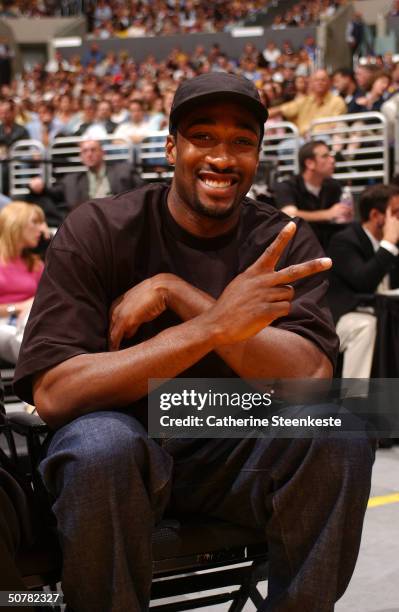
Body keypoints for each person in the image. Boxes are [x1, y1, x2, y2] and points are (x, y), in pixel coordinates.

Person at [14, 73, 374, 612]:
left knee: (344, 426)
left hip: (232, 442)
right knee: (100, 445)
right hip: (122, 441)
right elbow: (55, 395)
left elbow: (312, 380)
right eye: (203, 136)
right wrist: (211, 328)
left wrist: (183, 297)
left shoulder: (282, 239)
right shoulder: (99, 228)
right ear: (170, 147)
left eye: (241, 142)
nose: (222, 157)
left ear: (258, 156)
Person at [328, 184, 399, 378]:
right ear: (377, 216)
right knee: (365, 326)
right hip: (341, 316)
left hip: (382, 310)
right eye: (396, 213)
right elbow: (363, 282)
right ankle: (355, 401)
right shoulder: (344, 241)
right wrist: (389, 244)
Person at [28, 139, 143, 216]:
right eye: (85, 151)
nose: (89, 154)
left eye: (93, 150)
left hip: (119, 219)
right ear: (81, 157)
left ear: (103, 153)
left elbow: (143, 192)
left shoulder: (123, 172)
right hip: (87, 227)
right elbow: (51, 194)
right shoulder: (71, 181)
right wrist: (39, 187)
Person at [274, 140, 353, 250]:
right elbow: (289, 214)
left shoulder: (333, 185)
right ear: (310, 163)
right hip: (298, 247)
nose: (332, 160)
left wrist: (344, 214)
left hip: (328, 246)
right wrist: (328, 214)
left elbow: (337, 220)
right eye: (325, 156)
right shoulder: (287, 186)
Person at [0, 201, 47, 364]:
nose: (41, 229)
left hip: (30, 323)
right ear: (16, 224)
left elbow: (49, 298)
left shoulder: (35, 264)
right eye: (35, 222)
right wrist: (19, 307)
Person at [268, 70, 347, 137]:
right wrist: (260, 116)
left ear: (329, 83)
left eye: (323, 80)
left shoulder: (337, 101)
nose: (320, 83)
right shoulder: (304, 101)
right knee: (284, 147)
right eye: (316, 80)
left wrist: (312, 133)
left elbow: (335, 125)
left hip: (324, 137)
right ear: (312, 83)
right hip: (302, 139)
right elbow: (281, 110)